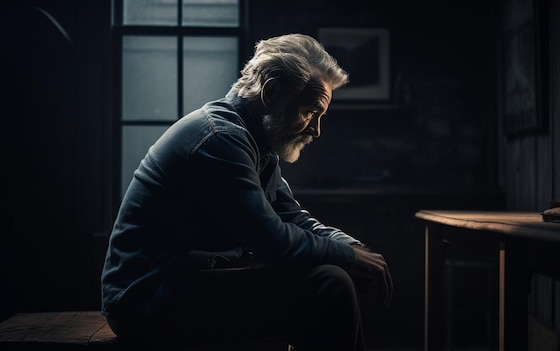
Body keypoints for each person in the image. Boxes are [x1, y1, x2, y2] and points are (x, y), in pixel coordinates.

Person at [100, 33, 393, 351]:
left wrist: (352, 247)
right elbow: (273, 241)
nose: (316, 129)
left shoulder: (255, 143)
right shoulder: (220, 139)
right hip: (148, 299)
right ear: (271, 92)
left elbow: (293, 218)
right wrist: (348, 258)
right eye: (310, 111)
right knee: (329, 284)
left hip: (182, 287)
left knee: (327, 274)